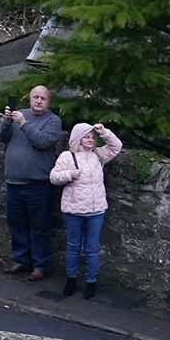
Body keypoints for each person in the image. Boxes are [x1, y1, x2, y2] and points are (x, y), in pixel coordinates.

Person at [0, 85, 65, 280]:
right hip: (14, 182)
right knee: (16, 223)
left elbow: (43, 142)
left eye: (43, 98)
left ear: (48, 101)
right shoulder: (21, 115)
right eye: (35, 97)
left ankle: (40, 265)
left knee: (40, 226)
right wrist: (7, 122)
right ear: (29, 98)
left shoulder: (53, 121)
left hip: (38, 184)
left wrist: (24, 124)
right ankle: (21, 260)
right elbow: (3, 138)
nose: (38, 101)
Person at [50, 123, 123, 299]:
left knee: (92, 248)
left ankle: (91, 282)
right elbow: (53, 177)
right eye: (86, 136)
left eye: (92, 137)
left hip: (96, 210)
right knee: (73, 246)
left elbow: (116, 146)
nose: (90, 139)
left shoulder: (98, 155)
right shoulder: (67, 156)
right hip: (73, 211)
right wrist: (69, 175)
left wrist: (103, 132)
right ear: (78, 139)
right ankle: (71, 279)